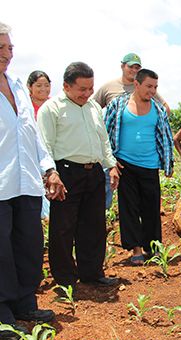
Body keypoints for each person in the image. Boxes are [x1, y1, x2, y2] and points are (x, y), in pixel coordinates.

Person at [0, 22, 65, 340]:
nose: (7, 54)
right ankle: (1, 314)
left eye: (9, 47)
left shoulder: (17, 87)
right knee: (0, 251)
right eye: (1, 48)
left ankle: (25, 302)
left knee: (28, 246)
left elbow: (34, 136)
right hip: (0, 187)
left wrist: (49, 169)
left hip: (25, 183)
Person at [37, 61, 120, 288]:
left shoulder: (93, 107)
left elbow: (103, 140)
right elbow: (44, 144)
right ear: (66, 86)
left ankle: (92, 273)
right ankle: (65, 279)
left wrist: (110, 165)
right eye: (82, 89)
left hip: (93, 172)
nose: (87, 93)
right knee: (63, 228)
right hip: (65, 173)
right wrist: (51, 174)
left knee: (93, 225)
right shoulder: (51, 109)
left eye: (90, 88)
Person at [104, 69, 174, 265]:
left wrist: (168, 163)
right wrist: (110, 162)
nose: (152, 91)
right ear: (137, 84)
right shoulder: (118, 106)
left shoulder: (158, 109)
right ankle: (136, 249)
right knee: (129, 209)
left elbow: (166, 136)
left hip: (149, 165)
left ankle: (153, 248)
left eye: (155, 87)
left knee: (151, 208)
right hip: (124, 164)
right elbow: (105, 132)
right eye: (149, 86)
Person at [93, 53, 170, 113]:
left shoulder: (145, 88)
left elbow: (165, 108)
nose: (134, 70)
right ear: (122, 66)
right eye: (130, 67)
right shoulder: (108, 87)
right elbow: (92, 108)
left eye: (137, 68)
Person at [27, 70, 52, 219]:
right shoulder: (25, 106)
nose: (43, 89)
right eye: (39, 85)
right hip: (31, 155)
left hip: (50, 154)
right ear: (30, 87)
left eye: (46, 85)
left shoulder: (53, 105)